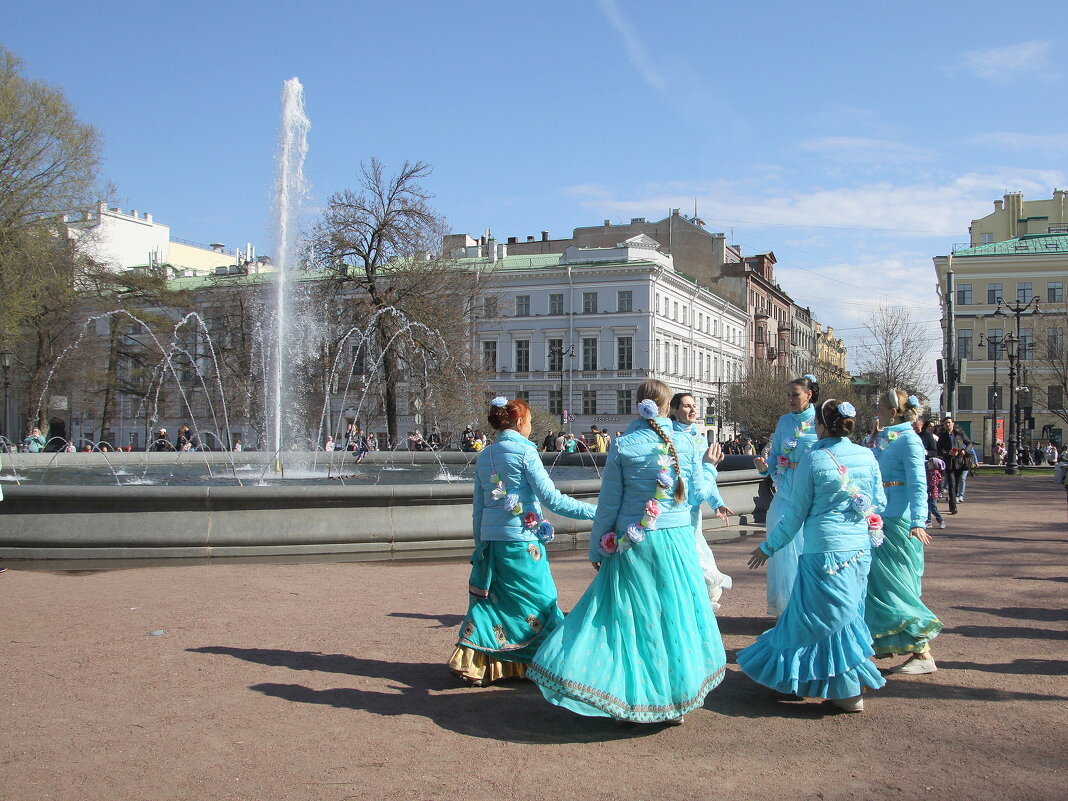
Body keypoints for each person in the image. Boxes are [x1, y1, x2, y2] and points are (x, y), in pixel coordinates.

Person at [528, 379, 728, 724]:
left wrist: (597, 545)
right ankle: (675, 698)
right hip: (677, 541)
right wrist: (708, 467)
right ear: (667, 407)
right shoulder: (685, 441)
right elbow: (697, 493)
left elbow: (609, 503)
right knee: (674, 617)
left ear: (639, 405)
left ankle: (631, 698)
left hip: (634, 543)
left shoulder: (625, 444)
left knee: (630, 619)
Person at [739, 399, 887, 712]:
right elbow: (880, 503)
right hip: (860, 550)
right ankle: (841, 688)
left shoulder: (814, 458)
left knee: (810, 618)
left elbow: (795, 514)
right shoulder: (866, 455)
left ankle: (833, 688)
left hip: (822, 551)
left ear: (820, 425)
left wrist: (768, 547)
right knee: (847, 616)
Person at [449, 396, 596, 687]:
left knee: (494, 603)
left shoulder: (485, 455)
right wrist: (598, 512)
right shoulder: (525, 454)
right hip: (521, 540)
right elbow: (553, 500)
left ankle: (478, 665)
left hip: (493, 541)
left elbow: (478, 506)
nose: (529, 426)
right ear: (519, 423)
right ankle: (550, 663)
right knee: (541, 602)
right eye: (528, 421)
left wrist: (481, 544)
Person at [866, 390, 942, 674]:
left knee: (897, 587)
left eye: (881, 406)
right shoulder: (884, 438)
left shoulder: (910, 440)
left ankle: (923, 654)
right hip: (879, 518)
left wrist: (919, 521)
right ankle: (886, 643)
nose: (877, 410)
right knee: (880, 586)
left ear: (894, 411)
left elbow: (919, 484)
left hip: (899, 520)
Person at [752, 374, 821, 616]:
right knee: (780, 542)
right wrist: (764, 467)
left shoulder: (819, 420)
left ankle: (806, 606)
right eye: (788, 395)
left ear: (808, 394)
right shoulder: (783, 421)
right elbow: (774, 459)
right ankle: (786, 607)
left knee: (804, 546)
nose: (791, 399)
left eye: (796, 394)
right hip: (784, 491)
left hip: (809, 490)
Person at [669, 392, 734, 610]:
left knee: (695, 548)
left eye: (693, 405)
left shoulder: (698, 438)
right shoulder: (667, 436)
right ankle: (700, 593)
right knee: (688, 551)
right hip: (673, 503)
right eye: (686, 406)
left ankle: (705, 594)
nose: (692, 409)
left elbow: (706, 475)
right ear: (674, 410)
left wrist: (717, 503)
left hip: (692, 507)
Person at [935, 415, 970, 515]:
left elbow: (969, 443)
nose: (947, 424)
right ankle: (953, 506)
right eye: (945, 423)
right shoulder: (942, 436)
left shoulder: (959, 433)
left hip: (959, 462)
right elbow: (939, 451)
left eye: (949, 422)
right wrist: (947, 453)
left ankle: (952, 502)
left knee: (957, 484)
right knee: (952, 484)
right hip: (949, 463)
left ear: (953, 424)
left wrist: (964, 451)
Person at [926, 457, 946, 530]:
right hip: (928, 493)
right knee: (927, 507)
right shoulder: (928, 472)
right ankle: (928, 521)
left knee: (933, 508)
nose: (928, 464)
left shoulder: (935, 474)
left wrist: (927, 489)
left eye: (930, 463)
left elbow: (933, 484)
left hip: (933, 493)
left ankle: (941, 520)